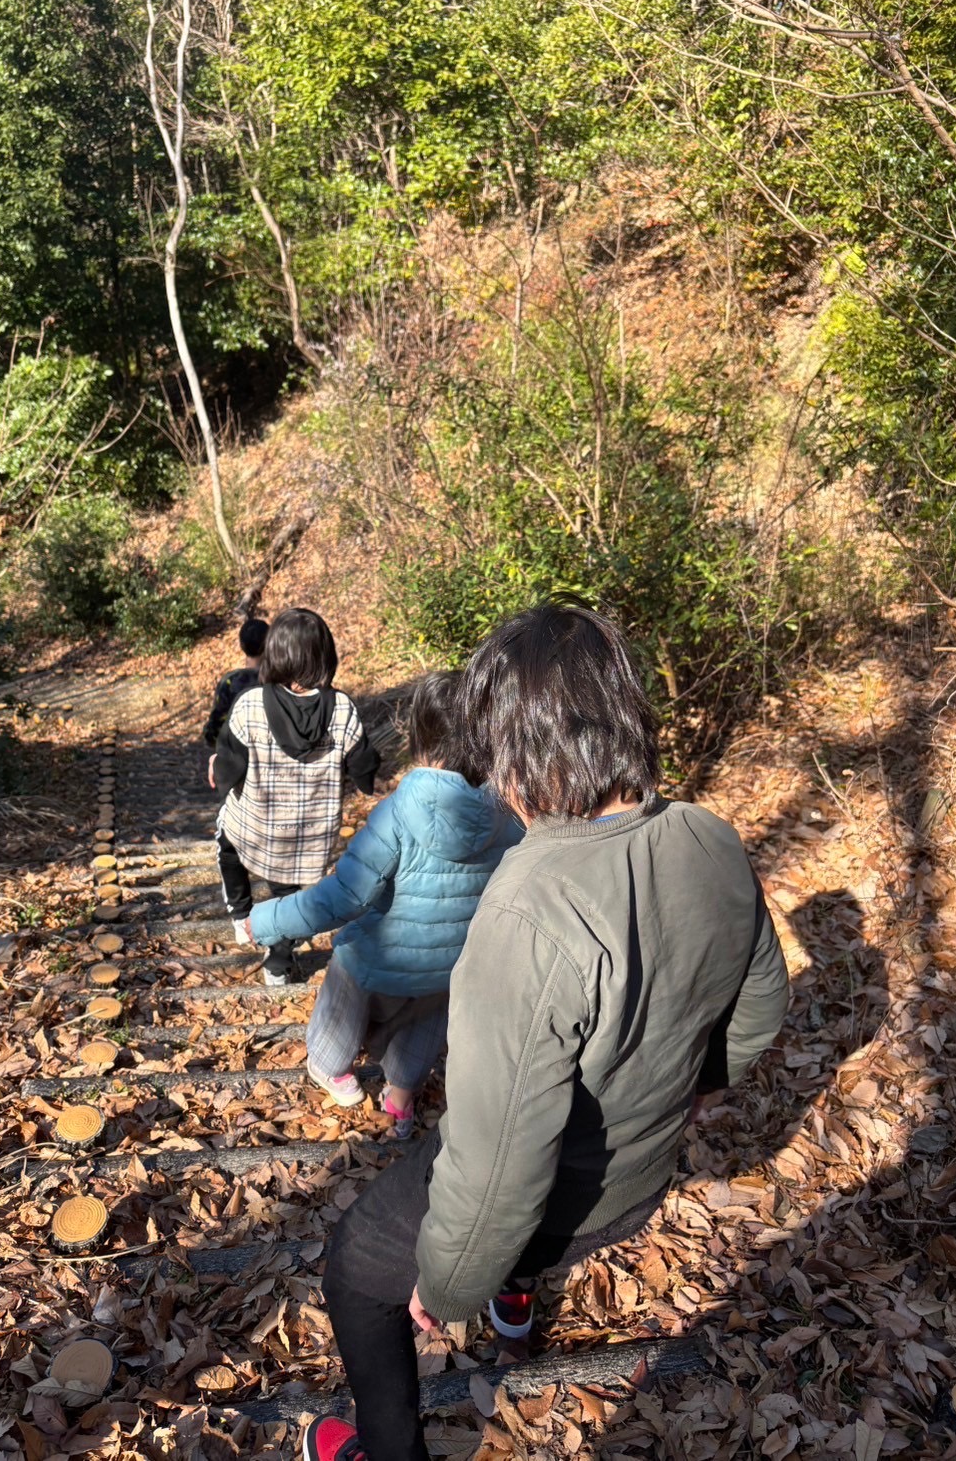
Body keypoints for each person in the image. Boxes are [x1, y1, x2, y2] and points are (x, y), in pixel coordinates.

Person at [302, 600, 790, 1461]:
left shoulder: (528, 906)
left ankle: (390, 1448)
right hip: (640, 1179)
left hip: (555, 1199)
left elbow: (499, 1166)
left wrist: (448, 1284)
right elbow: (757, 1015)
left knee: (352, 1268)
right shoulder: (710, 837)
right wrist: (680, 1090)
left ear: (519, 748)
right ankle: (516, 1301)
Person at [246, 671, 522, 1136]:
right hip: (451, 964)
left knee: (344, 986)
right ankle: (400, 1099)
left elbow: (345, 897)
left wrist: (270, 919)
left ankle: (334, 1071)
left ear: (421, 739)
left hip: (379, 959)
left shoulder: (398, 812)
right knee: (425, 1022)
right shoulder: (509, 816)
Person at [210, 607, 379, 987]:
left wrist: (219, 774)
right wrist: (362, 777)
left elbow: (229, 768)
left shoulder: (251, 704)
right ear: (325, 655)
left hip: (257, 826)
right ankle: (278, 964)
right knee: (286, 891)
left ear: (275, 653)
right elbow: (365, 768)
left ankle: (241, 917)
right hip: (311, 836)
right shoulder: (343, 709)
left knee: (226, 839)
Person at [202, 616, 269, 749]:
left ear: (241, 645)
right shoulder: (279, 680)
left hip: (237, 759)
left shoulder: (230, 682)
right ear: (269, 643)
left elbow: (215, 728)